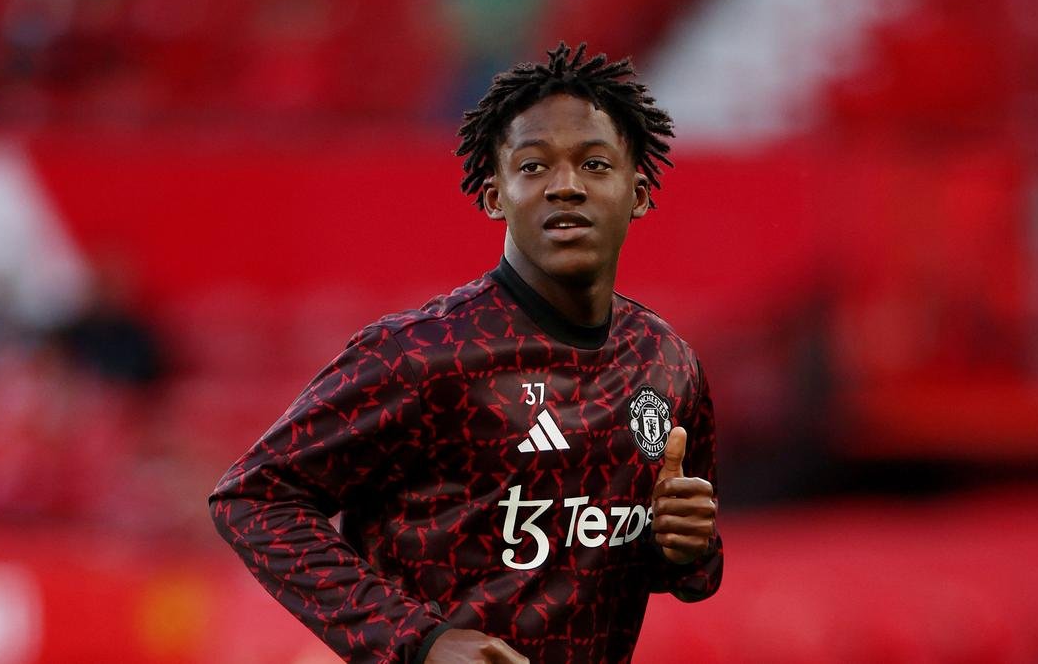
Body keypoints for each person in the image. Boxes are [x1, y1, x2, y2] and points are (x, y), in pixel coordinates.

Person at [209, 42, 722, 663]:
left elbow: (687, 573)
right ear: (494, 195)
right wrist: (421, 641)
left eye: (594, 164)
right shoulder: (423, 354)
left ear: (637, 193)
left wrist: (688, 548)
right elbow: (255, 498)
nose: (565, 186)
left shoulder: (667, 364)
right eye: (533, 166)